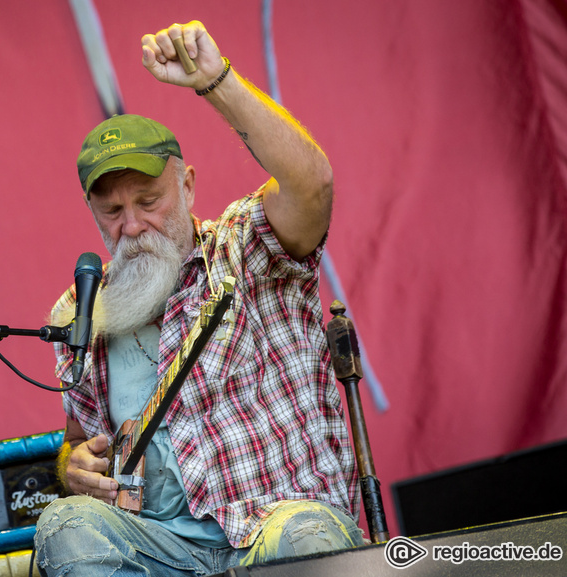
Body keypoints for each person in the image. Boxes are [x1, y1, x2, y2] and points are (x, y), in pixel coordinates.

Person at [34, 20, 363, 577]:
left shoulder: (242, 244)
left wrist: (217, 81)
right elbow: (80, 442)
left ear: (187, 185)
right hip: (161, 549)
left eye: (150, 199)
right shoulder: (80, 311)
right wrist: (74, 469)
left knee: (311, 537)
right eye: (113, 212)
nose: (134, 225)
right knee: (65, 528)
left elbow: (313, 185)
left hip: (271, 531)